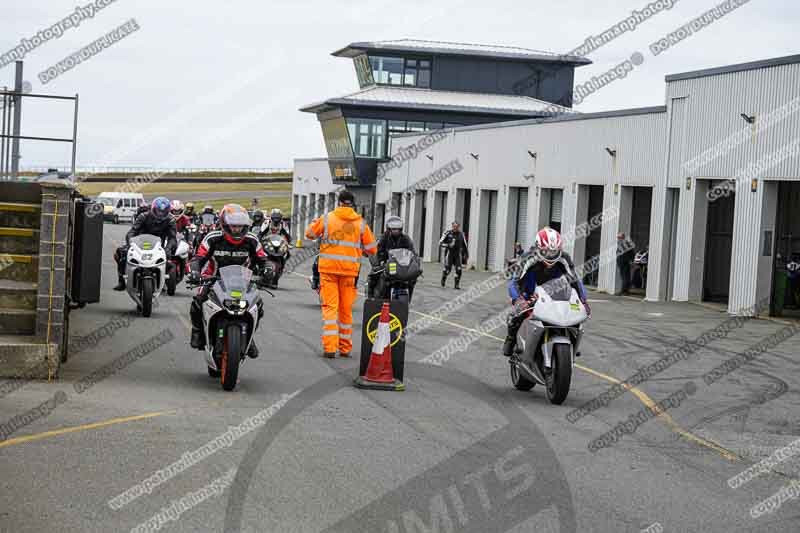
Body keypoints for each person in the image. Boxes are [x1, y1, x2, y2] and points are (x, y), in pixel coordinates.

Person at [187, 204, 268, 357]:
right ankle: (197, 332)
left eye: (240, 226)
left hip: (243, 282)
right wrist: (194, 272)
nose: (237, 230)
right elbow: (198, 258)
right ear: (224, 225)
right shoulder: (212, 238)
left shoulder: (252, 240)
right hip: (213, 279)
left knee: (258, 306)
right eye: (233, 226)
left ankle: (249, 339)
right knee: (198, 301)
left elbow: (263, 258)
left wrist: (268, 269)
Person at [305, 190, 377, 358]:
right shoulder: (360, 223)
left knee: (330, 309)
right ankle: (345, 348)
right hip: (349, 272)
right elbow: (372, 248)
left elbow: (309, 234)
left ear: (339, 202)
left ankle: (330, 348)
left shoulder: (328, 218)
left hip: (328, 271)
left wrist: (316, 223)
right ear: (353, 204)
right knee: (345, 310)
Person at [502, 227, 591, 357]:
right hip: (530, 291)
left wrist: (583, 301)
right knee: (516, 315)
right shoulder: (528, 258)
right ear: (538, 247)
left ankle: (571, 342)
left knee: (574, 314)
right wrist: (518, 299)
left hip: (554, 291)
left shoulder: (564, 258)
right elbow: (514, 282)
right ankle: (510, 339)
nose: (551, 255)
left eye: (554, 251)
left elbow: (575, 280)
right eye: (547, 251)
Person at [114, 197, 177, 291]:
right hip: (139, 244)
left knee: (170, 262)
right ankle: (122, 281)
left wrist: (168, 248)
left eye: (163, 212)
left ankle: (162, 280)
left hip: (158, 246)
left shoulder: (170, 220)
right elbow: (132, 232)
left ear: (167, 211)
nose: (160, 214)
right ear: (153, 209)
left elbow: (172, 238)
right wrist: (131, 243)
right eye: (158, 211)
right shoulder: (143, 216)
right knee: (121, 253)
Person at [368, 215, 417, 299]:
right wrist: (380, 261)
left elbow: (412, 252)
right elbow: (378, 251)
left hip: (401, 265)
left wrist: (415, 262)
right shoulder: (383, 238)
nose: (395, 231)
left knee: (412, 278)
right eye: (393, 229)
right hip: (387, 264)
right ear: (389, 229)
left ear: (401, 229)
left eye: (397, 229)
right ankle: (371, 295)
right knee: (373, 275)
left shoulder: (406, 239)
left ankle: (408, 298)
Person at [439, 222, 469, 289]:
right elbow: (440, 243)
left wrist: (466, 254)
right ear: (452, 226)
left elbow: (465, 245)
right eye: (454, 226)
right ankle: (444, 277)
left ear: (459, 227)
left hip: (458, 254)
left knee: (459, 270)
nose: (455, 228)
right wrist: (448, 245)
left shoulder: (461, 234)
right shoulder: (447, 233)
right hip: (449, 253)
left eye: (457, 227)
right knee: (448, 270)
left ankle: (456, 285)